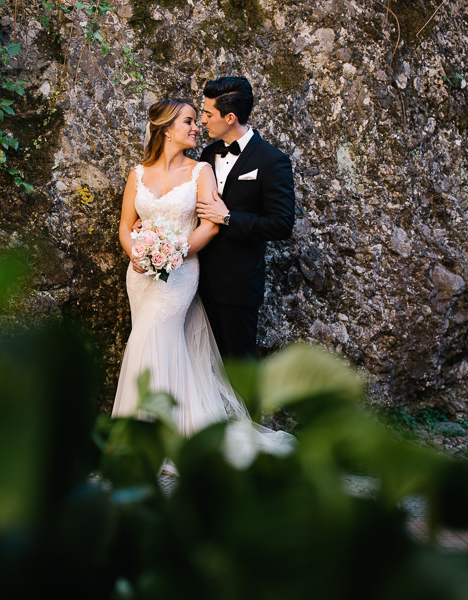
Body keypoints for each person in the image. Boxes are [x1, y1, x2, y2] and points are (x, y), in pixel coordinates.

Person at [112, 98, 293, 471]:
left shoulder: (201, 171)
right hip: (141, 273)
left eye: (198, 120)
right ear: (166, 129)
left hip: (180, 270)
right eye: (189, 122)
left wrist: (176, 252)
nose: (196, 128)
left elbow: (210, 223)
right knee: (150, 343)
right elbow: (125, 226)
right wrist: (137, 254)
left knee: (154, 337)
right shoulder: (137, 173)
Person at [195, 76, 296, 360]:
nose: (202, 120)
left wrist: (228, 218)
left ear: (230, 117)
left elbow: (281, 224)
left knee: (239, 366)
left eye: (208, 114)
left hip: (238, 286)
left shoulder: (272, 161)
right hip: (199, 279)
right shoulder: (207, 153)